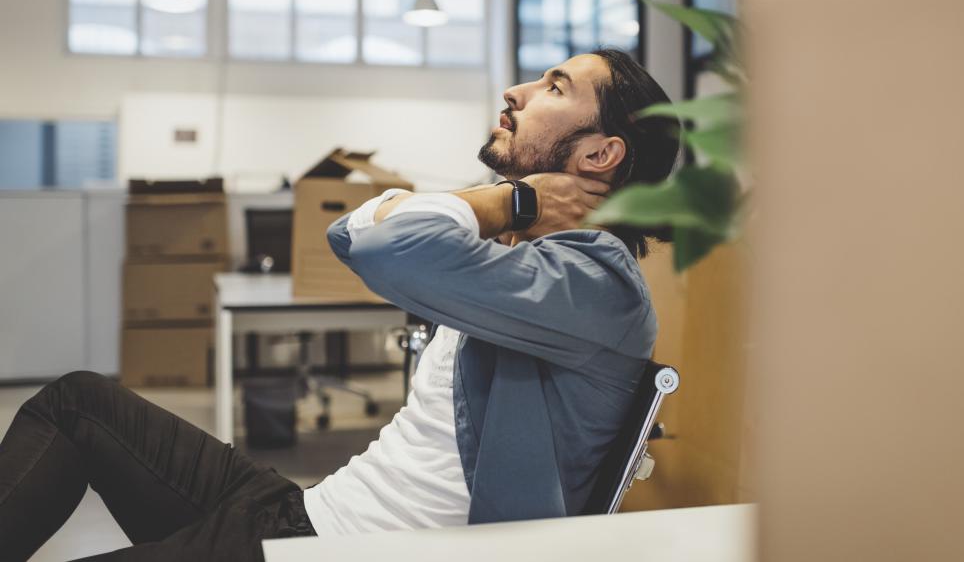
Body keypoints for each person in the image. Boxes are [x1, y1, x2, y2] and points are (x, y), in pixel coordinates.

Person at [0, 49, 680, 561]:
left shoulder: (594, 285)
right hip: (311, 511)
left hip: (330, 546)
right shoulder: (536, 261)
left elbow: (383, 243)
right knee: (78, 404)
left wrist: (516, 198)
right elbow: (351, 231)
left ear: (599, 152)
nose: (518, 90)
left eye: (554, 88)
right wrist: (516, 203)